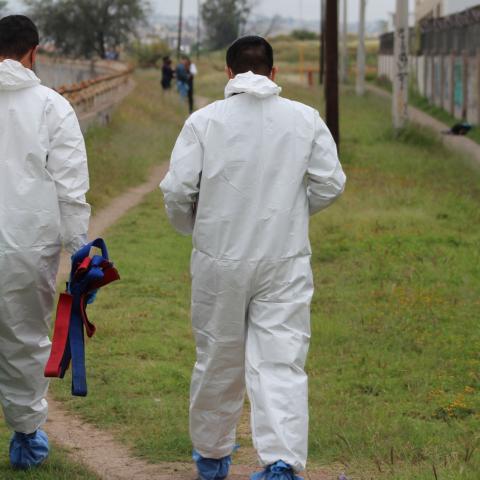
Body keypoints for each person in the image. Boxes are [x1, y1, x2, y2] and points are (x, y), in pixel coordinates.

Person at [160, 36, 346, 480]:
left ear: (229, 74)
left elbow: (177, 190)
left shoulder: (204, 121)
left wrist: (196, 226)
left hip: (219, 258)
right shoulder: (305, 119)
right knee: (281, 360)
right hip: (284, 258)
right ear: (273, 73)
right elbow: (330, 182)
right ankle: (281, 463)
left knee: (218, 356)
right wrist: (293, 213)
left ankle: (211, 456)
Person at [0, 15, 90, 469]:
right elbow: (71, 189)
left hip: (25, 242)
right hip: (26, 246)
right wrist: (80, 254)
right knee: (24, 341)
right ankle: (26, 440)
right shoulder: (52, 107)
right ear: (34, 52)